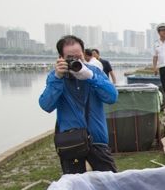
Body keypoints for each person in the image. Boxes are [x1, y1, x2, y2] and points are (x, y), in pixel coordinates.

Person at [39, 35, 118, 174]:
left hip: (97, 139)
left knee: (110, 183)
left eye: (79, 56)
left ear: (84, 53)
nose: (76, 61)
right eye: (70, 58)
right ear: (61, 58)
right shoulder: (56, 77)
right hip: (71, 140)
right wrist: (57, 78)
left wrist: (90, 77)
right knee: (75, 187)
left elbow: (112, 97)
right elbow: (46, 105)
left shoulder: (94, 72)